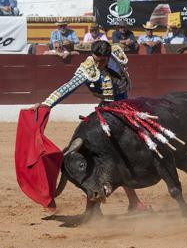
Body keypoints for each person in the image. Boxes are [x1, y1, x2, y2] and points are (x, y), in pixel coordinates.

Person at [32, 40, 145, 211]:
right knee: (106, 156)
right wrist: (46, 104)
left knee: (132, 150)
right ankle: (98, 205)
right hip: (107, 112)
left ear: (109, 56)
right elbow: (66, 88)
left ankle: (133, 202)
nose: (98, 64)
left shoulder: (116, 54)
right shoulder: (88, 69)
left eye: (102, 61)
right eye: (96, 59)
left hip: (126, 110)